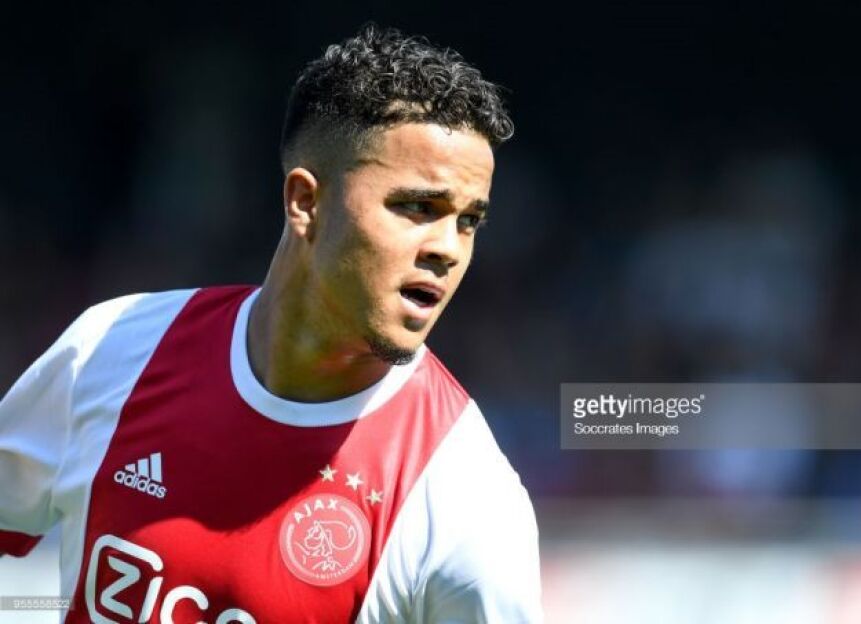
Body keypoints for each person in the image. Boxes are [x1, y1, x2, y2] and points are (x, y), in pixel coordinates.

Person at [0, 25, 543, 623]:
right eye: (417, 207)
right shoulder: (112, 351)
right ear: (305, 202)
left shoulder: (468, 503)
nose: (448, 248)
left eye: (468, 221)